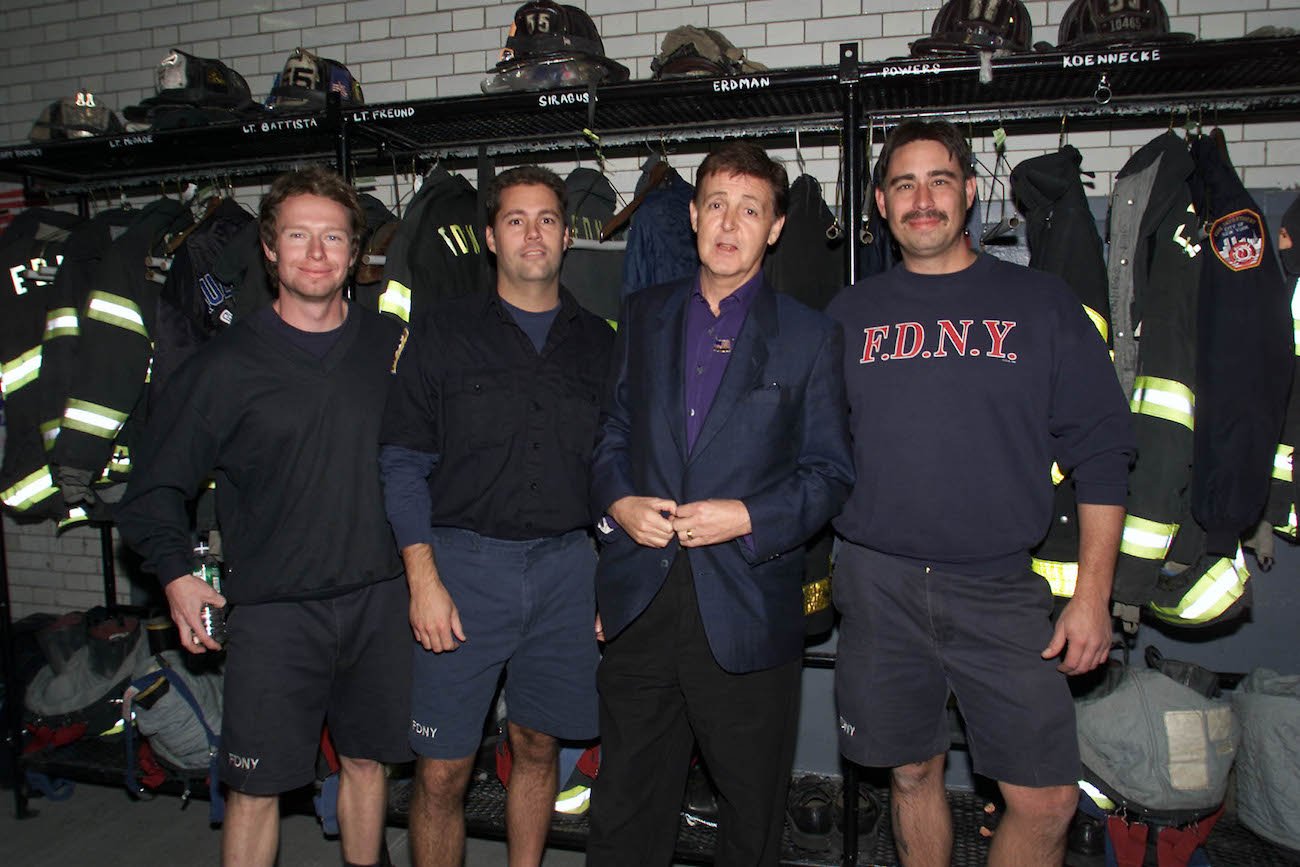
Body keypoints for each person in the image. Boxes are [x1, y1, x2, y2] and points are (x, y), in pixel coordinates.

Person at [825, 120, 1135, 867]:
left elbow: (1103, 451)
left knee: (1048, 800)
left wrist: (1093, 594)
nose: (922, 199)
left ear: (968, 191)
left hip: (999, 588)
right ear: (879, 203)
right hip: (878, 585)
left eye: (939, 180)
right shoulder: (847, 316)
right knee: (910, 770)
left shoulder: (1042, 303)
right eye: (903, 183)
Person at [116, 166, 411, 867]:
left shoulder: (391, 344)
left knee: (369, 765)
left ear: (353, 250)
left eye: (333, 237)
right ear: (270, 250)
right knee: (254, 789)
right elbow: (153, 488)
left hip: (379, 599)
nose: (317, 253)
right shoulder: (224, 366)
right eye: (299, 237)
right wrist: (177, 575)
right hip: (276, 613)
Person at [586, 140, 854, 867]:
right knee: (623, 812)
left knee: (748, 815)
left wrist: (748, 516)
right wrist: (617, 500)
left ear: (774, 227)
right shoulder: (643, 314)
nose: (729, 223)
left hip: (745, 606)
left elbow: (830, 472)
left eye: (750, 209)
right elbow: (611, 430)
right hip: (642, 596)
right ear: (694, 215)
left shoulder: (809, 335)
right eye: (715, 205)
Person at [378, 165, 615, 867]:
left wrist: (615, 579)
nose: (532, 233)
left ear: (567, 236)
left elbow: (618, 472)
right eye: (515, 219)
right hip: (462, 569)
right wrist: (422, 577)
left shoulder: (601, 343)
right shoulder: (442, 332)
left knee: (539, 745)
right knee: (444, 767)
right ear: (490, 237)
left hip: (569, 571)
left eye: (547, 219)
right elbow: (400, 462)